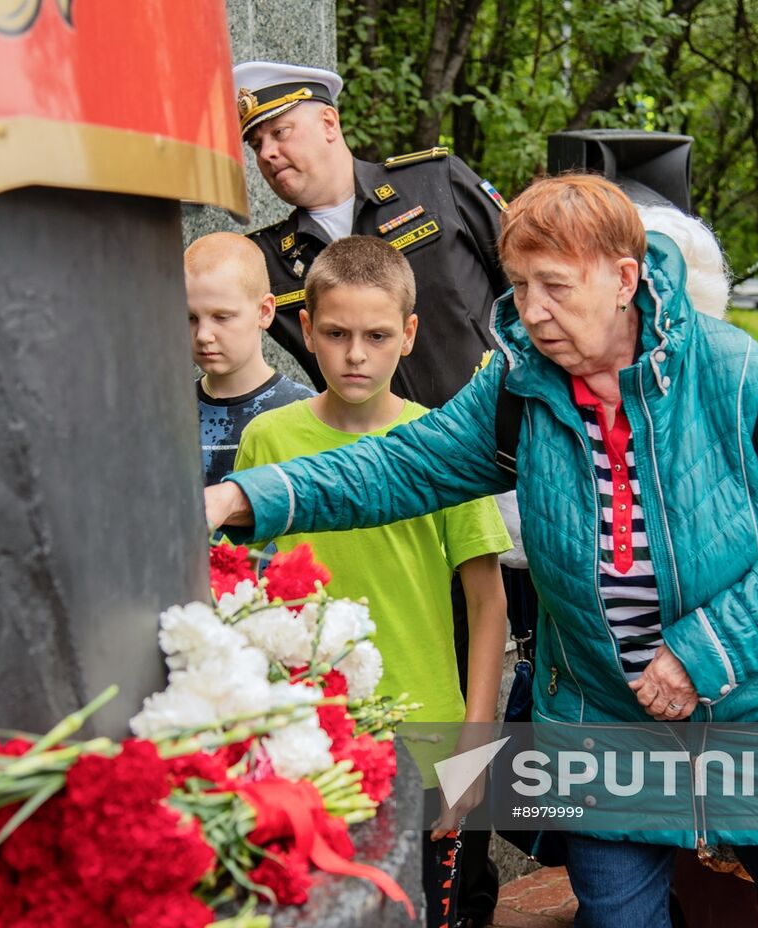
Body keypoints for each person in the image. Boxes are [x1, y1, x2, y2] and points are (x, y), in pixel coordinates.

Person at [207, 174, 758, 928]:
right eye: (520, 285)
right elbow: (398, 464)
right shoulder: (517, 393)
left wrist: (702, 652)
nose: (530, 311)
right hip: (602, 725)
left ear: (624, 279)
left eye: (554, 287)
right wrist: (243, 498)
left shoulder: (729, 372)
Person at [233, 235, 511, 928]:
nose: (356, 354)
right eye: (337, 333)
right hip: (310, 737)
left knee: (439, 910)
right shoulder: (268, 441)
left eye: (377, 335)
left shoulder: (447, 444)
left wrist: (476, 744)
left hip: (427, 738)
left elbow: (488, 602)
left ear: (409, 335)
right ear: (306, 331)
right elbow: (250, 596)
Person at [231, 61, 510, 410]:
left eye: (280, 132)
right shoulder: (268, 258)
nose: (267, 153)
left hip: (497, 431)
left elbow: (526, 281)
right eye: (256, 145)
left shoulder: (436, 183)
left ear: (329, 123)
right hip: (384, 457)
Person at [185, 232, 314, 486]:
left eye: (221, 317)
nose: (203, 335)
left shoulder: (306, 414)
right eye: (190, 317)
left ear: (264, 312)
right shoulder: (168, 413)